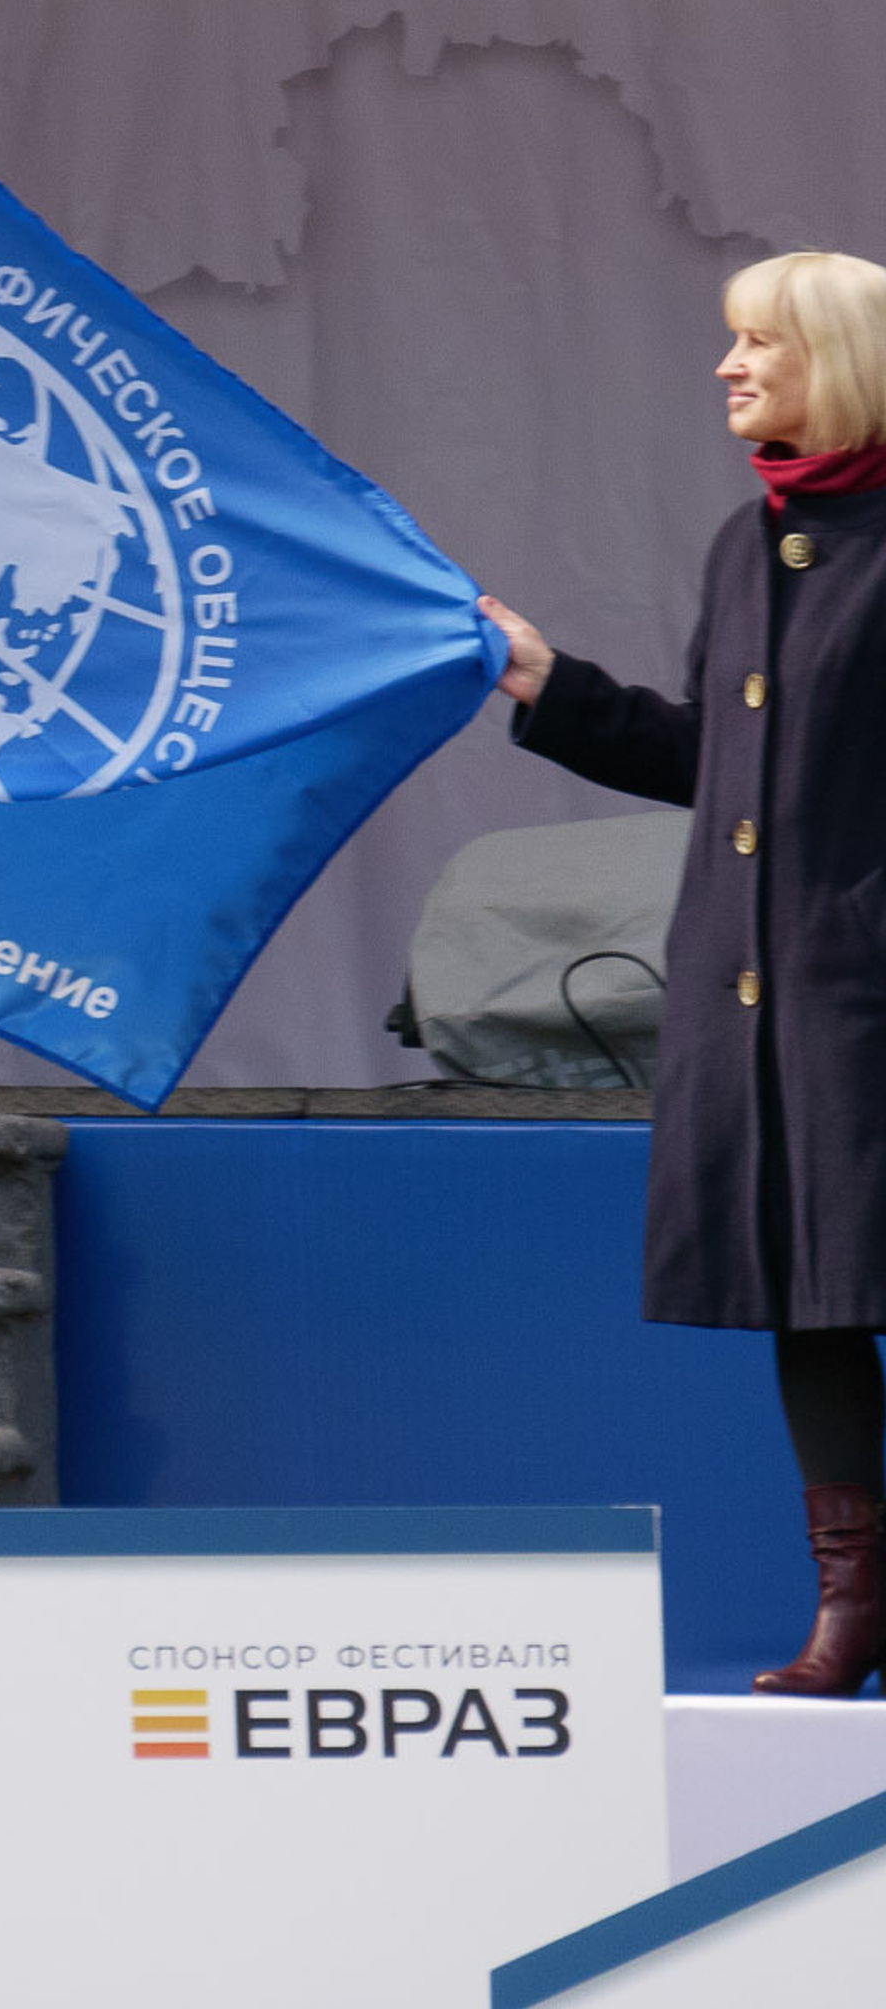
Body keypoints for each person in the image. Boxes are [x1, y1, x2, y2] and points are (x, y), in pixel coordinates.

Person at [483, 248, 886, 1697]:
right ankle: (855, 1608)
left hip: (862, 987)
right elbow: (719, 764)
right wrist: (553, 686)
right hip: (764, 995)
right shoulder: (747, 541)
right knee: (815, 1295)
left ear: (838, 359)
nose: (728, 365)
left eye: (760, 342)